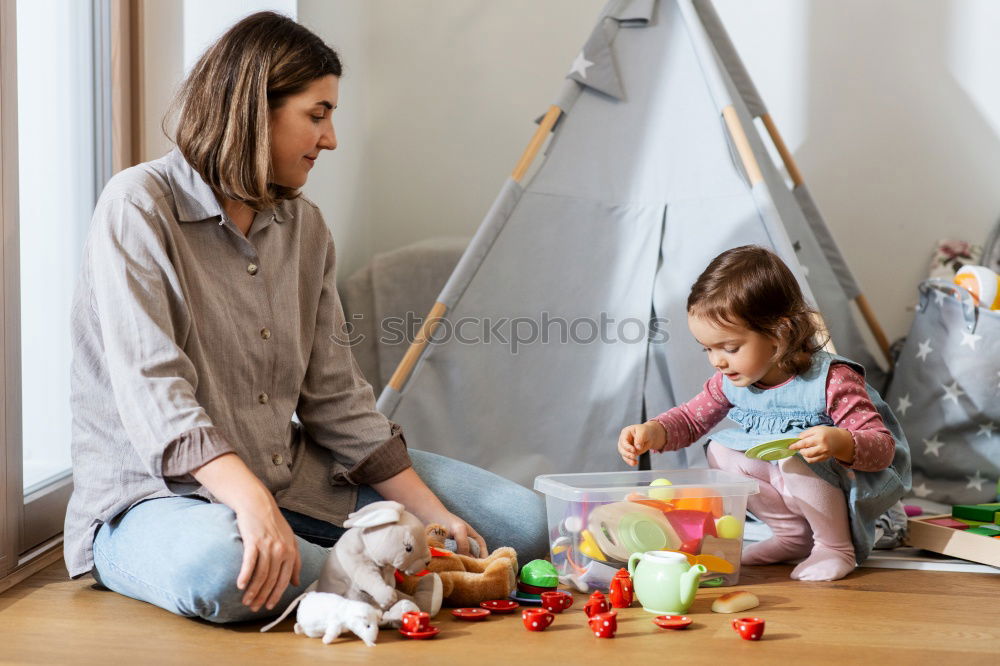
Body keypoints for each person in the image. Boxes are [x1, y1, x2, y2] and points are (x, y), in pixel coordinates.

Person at [64, 11, 547, 623]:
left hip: (292, 477)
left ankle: (366, 575)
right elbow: (155, 396)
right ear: (252, 110)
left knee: (521, 527)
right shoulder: (137, 207)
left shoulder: (305, 228)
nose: (331, 138)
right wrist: (252, 505)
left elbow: (337, 397)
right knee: (223, 571)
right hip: (156, 499)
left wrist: (433, 514)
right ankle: (387, 579)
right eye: (316, 115)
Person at [617, 245, 910, 581]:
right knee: (721, 450)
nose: (718, 361)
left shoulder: (831, 380)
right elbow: (690, 419)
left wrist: (840, 442)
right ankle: (792, 537)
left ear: (778, 334)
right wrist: (654, 431)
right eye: (708, 349)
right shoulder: (729, 381)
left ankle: (835, 547)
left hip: (845, 492)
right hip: (793, 493)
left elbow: (882, 447)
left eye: (729, 348)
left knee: (794, 456)